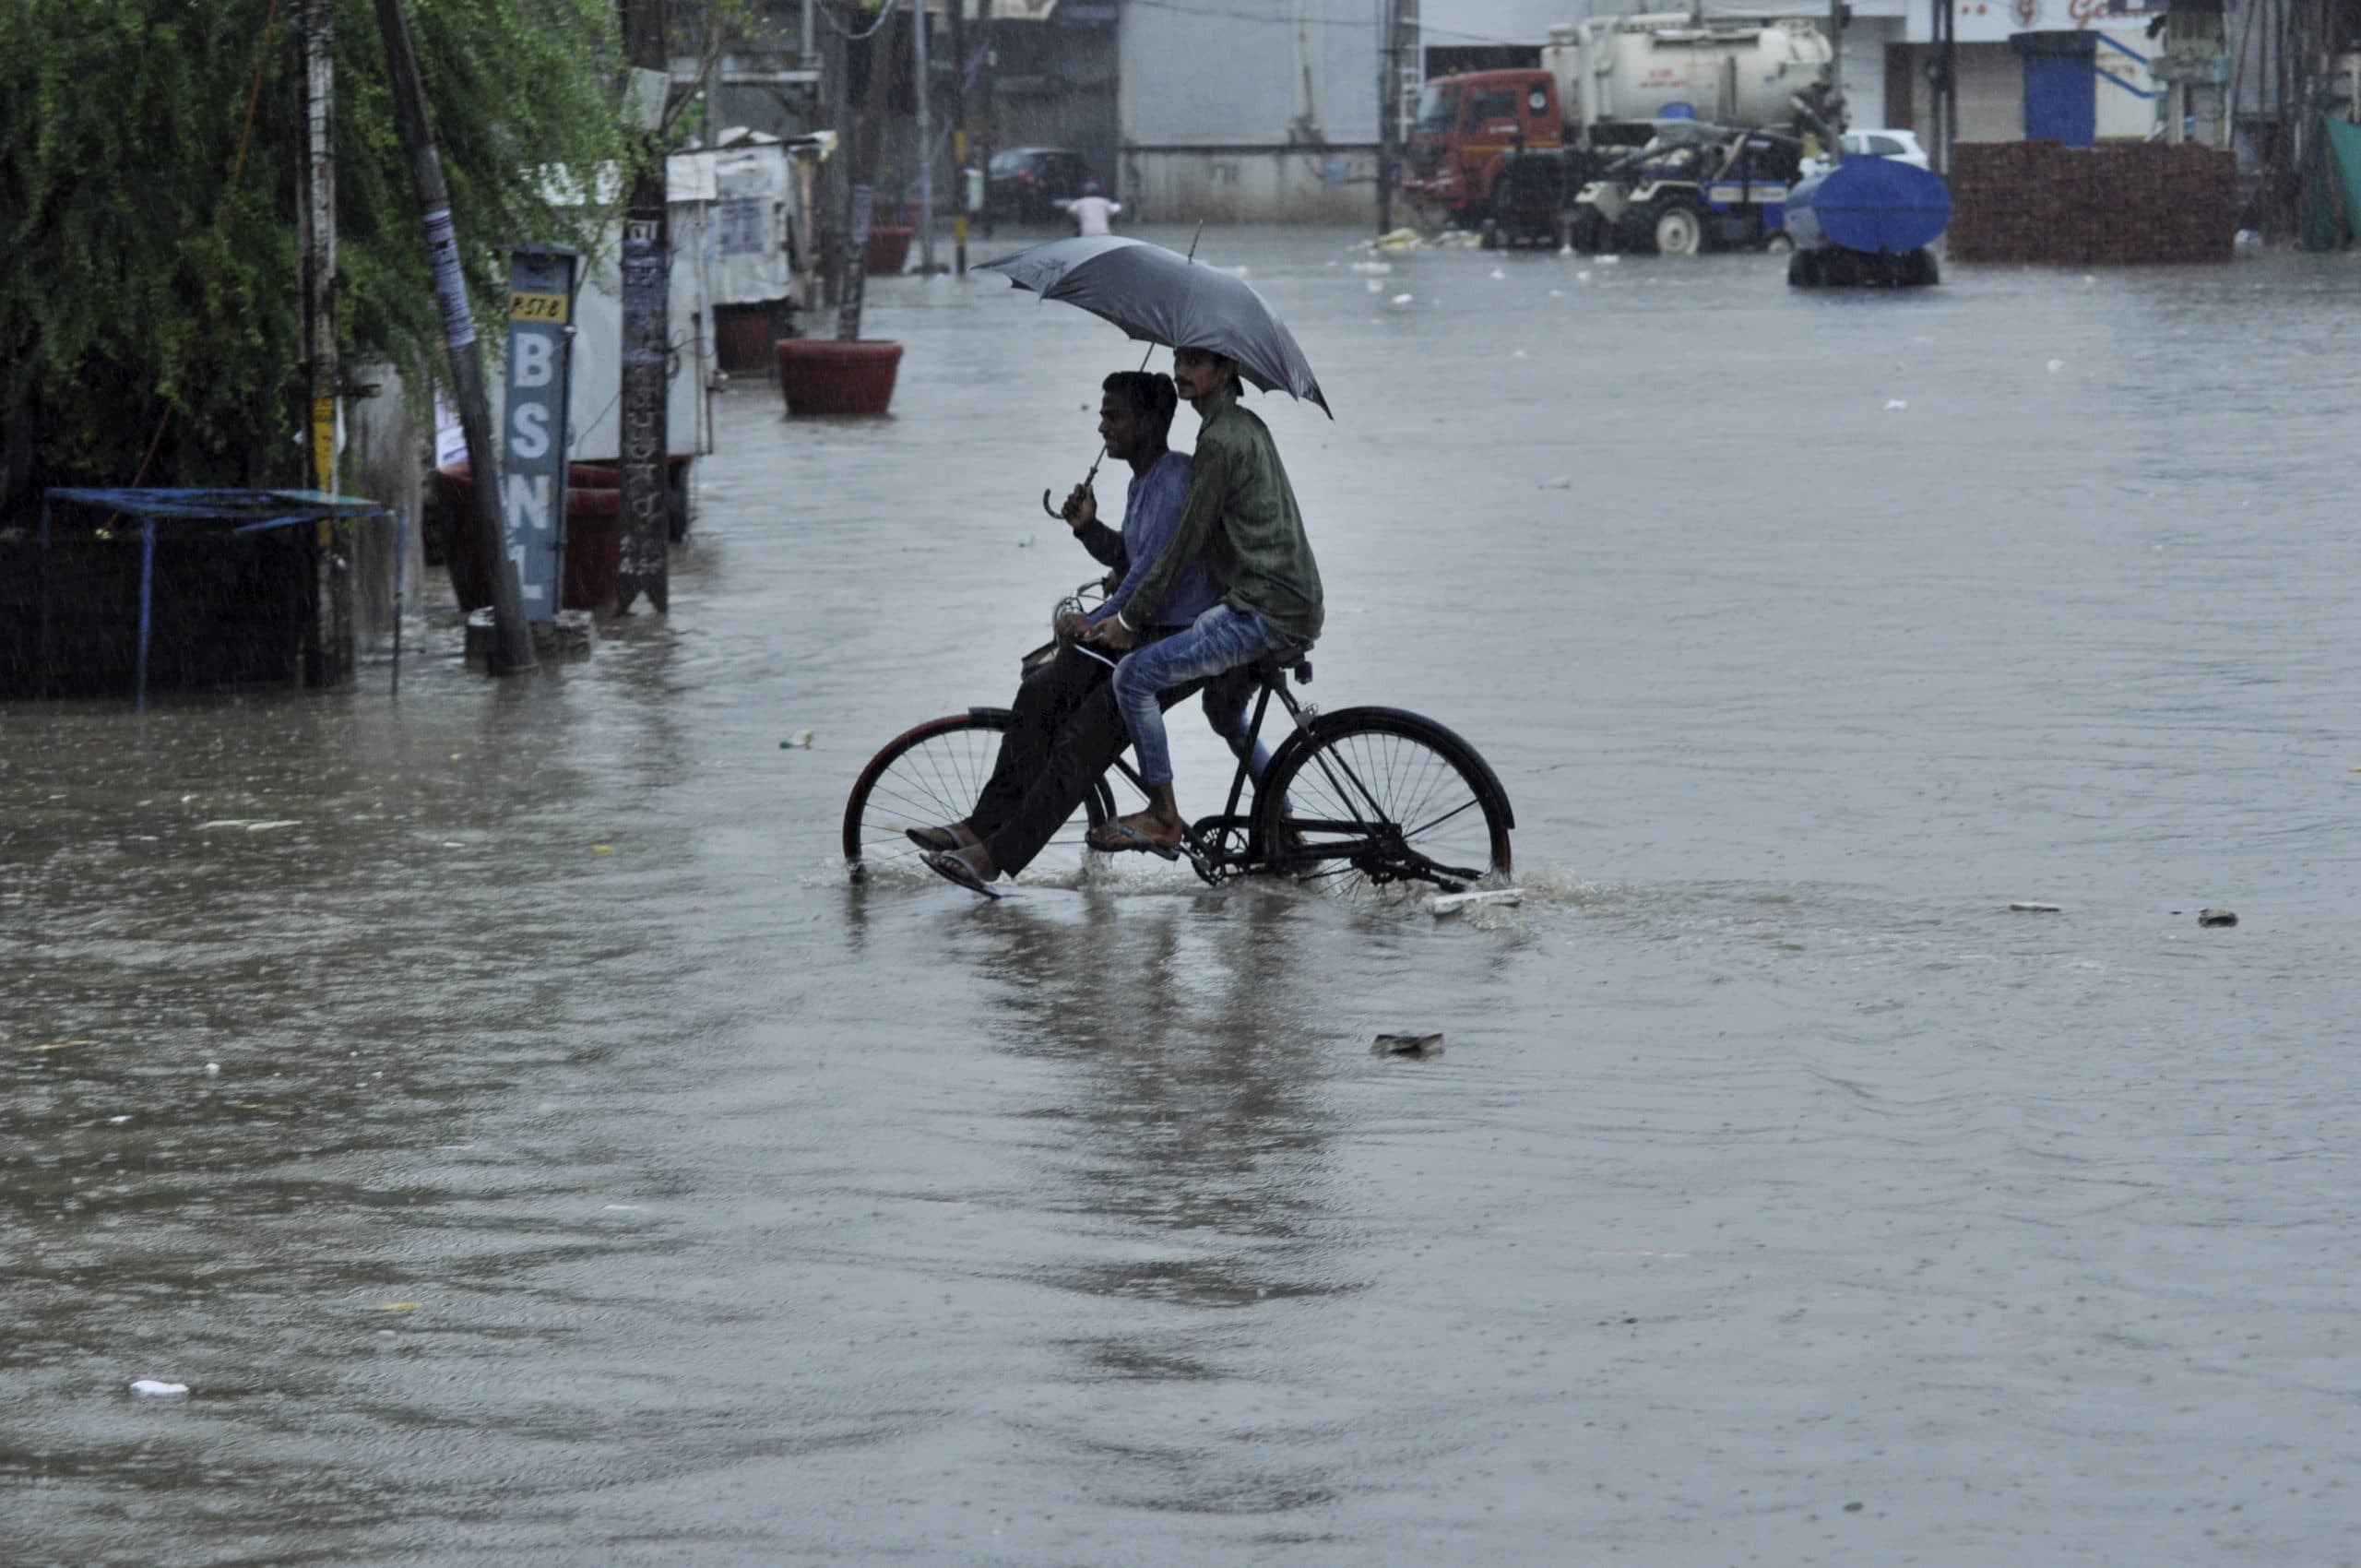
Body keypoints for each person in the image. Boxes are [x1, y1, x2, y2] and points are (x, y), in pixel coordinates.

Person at [914, 371, 1267, 897]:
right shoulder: (1142, 481)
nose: (1103, 427)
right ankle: (981, 825)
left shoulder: (1175, 480)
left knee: (1083, 738)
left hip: (1178, 636)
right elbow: (1129, 557)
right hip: (1144, 626)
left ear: (1151, 422)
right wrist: (1088, 529)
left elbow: (1153, 574)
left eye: (1114, 416)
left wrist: (1100, 618)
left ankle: (994, 857)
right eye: (1102, 415)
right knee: (1039, 692)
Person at [1082, 344, 1323, 857]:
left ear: (1226, 368)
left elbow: (1183, 544)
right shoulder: (1241, 426)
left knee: (1134, 677)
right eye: (1179, 360)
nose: (1180, 371)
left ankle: (1163, 816)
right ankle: (1282, 822)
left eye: (1195, 362)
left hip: (1263, 607)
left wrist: (1128, 618)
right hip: (1290, 599)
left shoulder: (1217, 442)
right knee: (1223, 710)